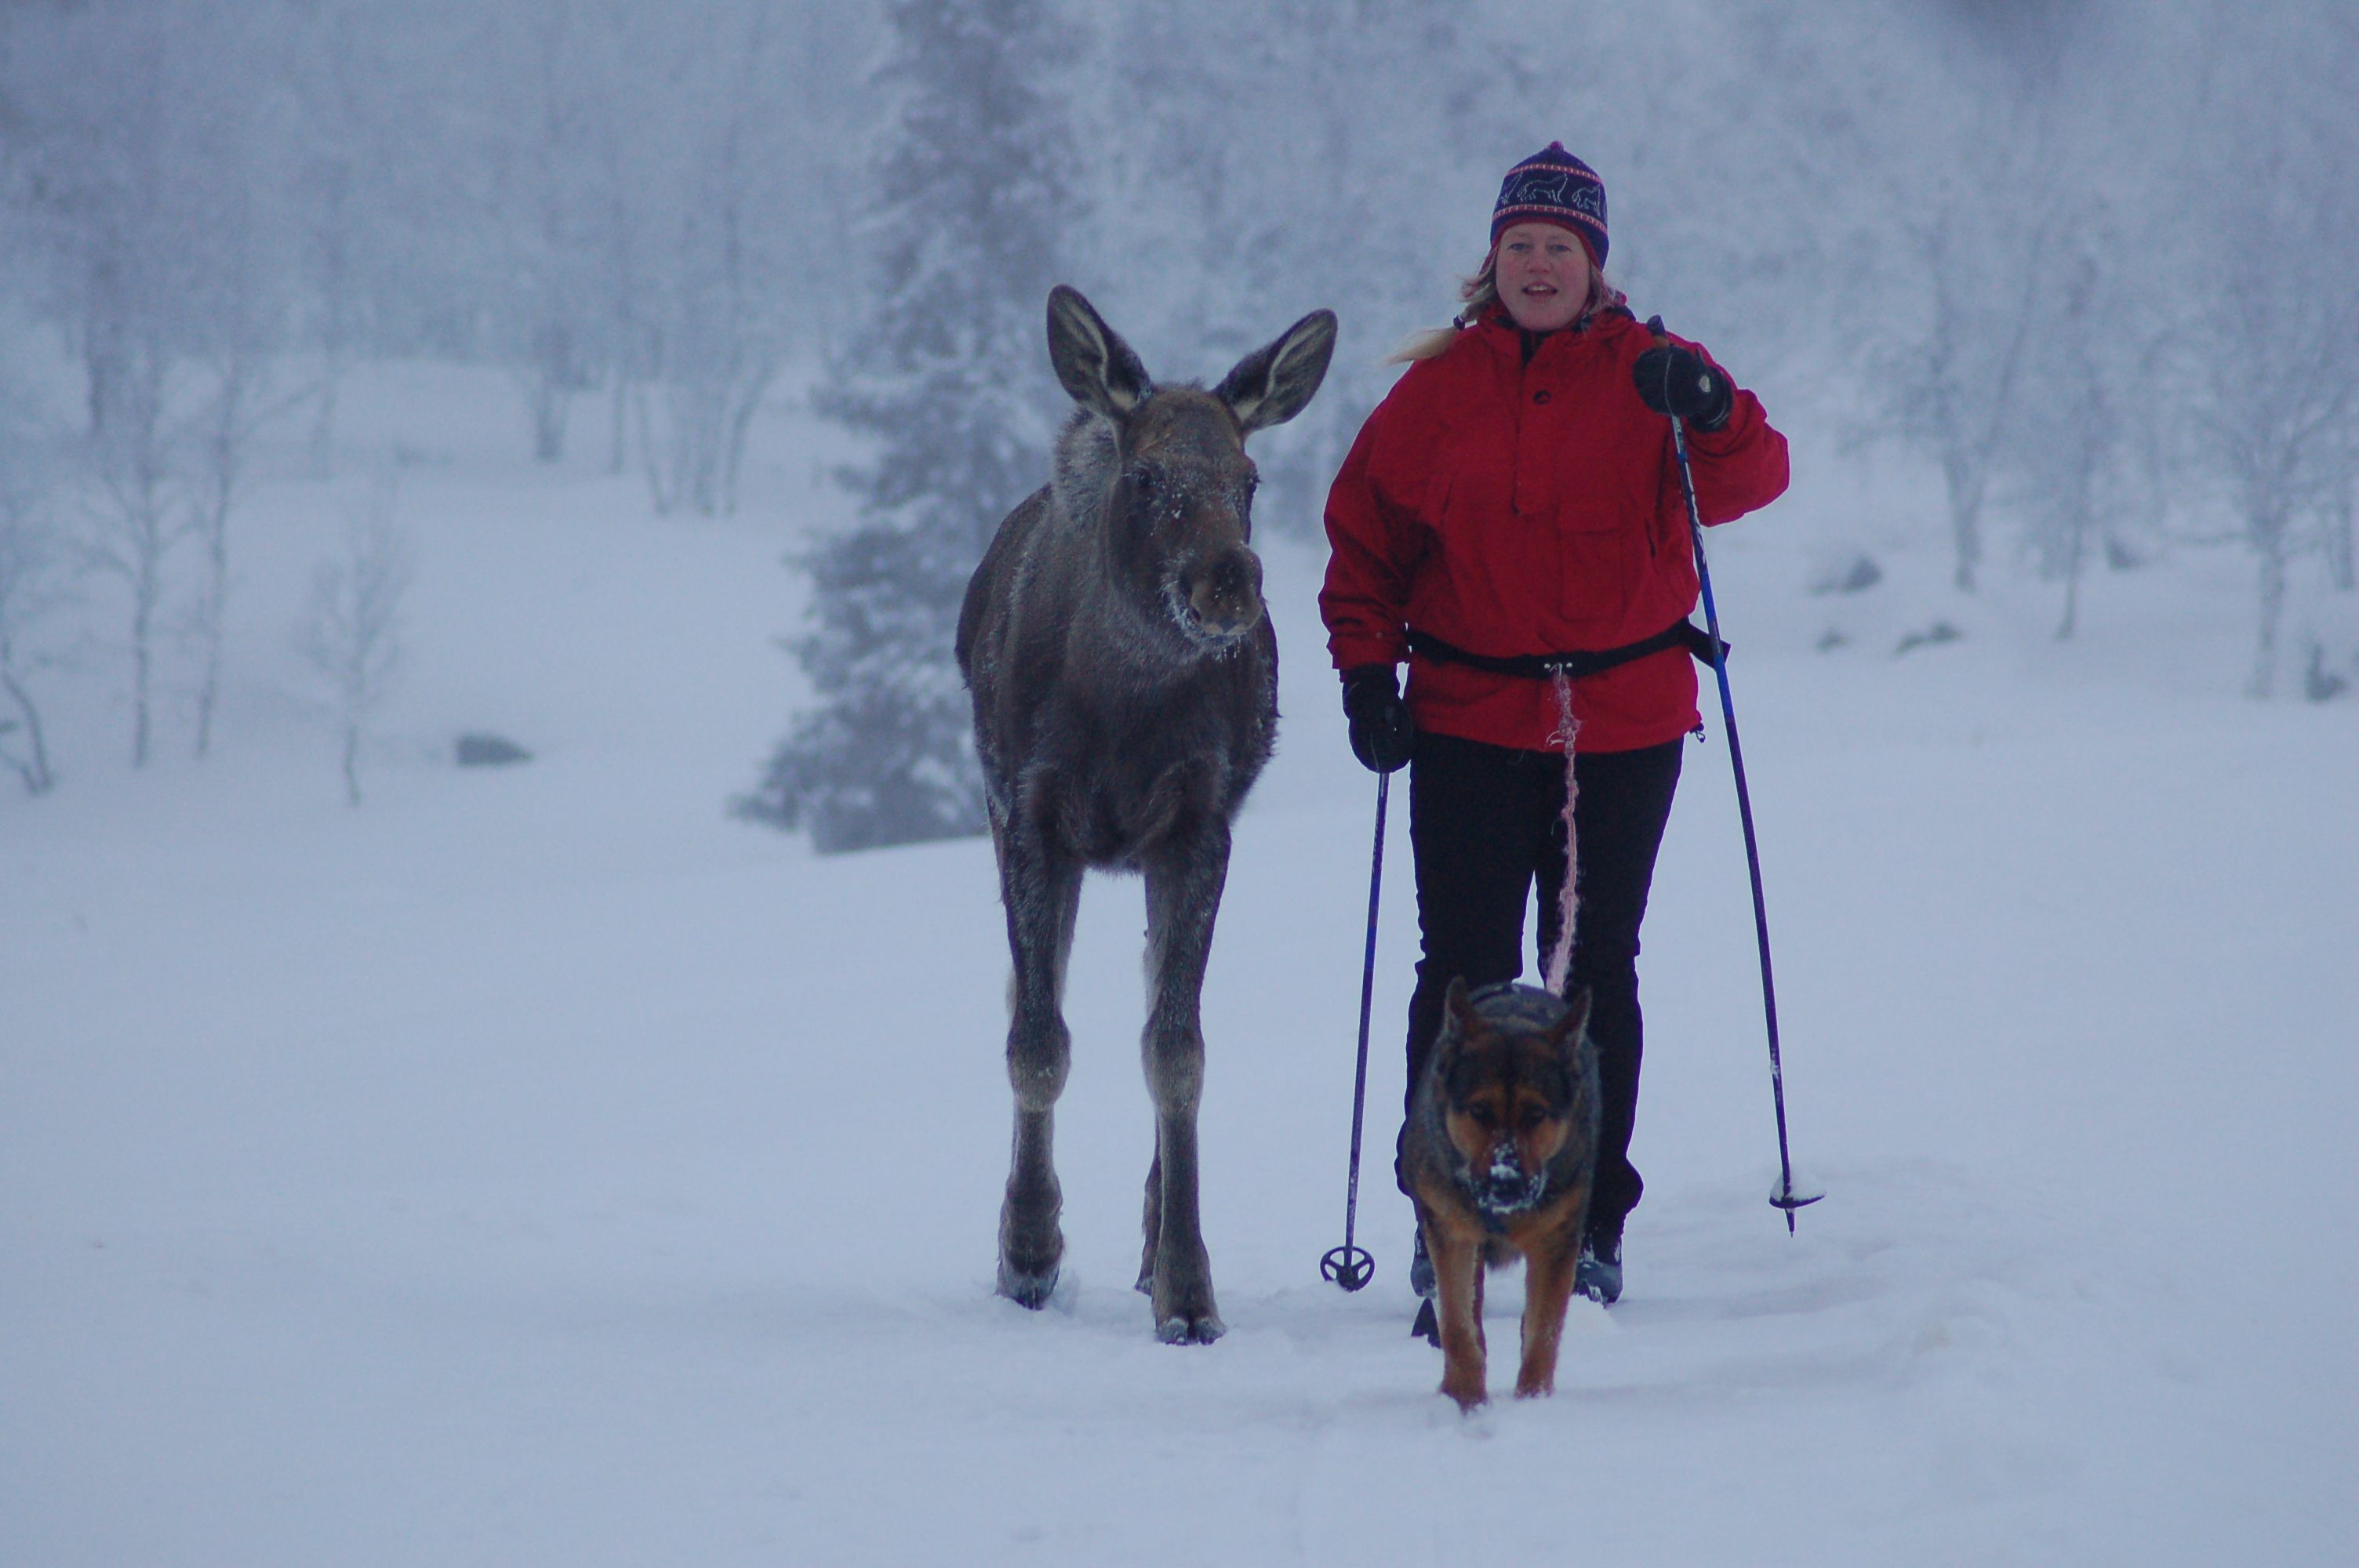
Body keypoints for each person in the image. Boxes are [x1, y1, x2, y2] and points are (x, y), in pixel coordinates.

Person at [1319, 142, 1789, 1315]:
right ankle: (1447, 1222)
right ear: (1492, 261)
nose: (1538, 265)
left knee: (1591, 975)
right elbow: (1364, 547)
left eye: (1560, 249)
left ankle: (1582, 1225)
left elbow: (1751, 478)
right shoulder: (1434, 389)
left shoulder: (1656, 373)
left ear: (1595, 266)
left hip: (1621, 727)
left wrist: (1716, 408)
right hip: (1470, 721)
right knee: (1464, 978)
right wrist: (1366, 676)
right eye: (1520, 246)